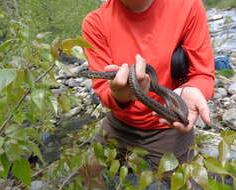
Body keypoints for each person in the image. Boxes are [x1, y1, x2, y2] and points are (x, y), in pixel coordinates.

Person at [81, 0, 215, 188]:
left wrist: (193, 90)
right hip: (120, 123)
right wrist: (120, 96)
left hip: (169, 126)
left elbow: (203, 73)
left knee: (181, 183)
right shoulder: (95, 22)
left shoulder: (188, 5)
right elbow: (102, 88)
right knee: (89, 170)